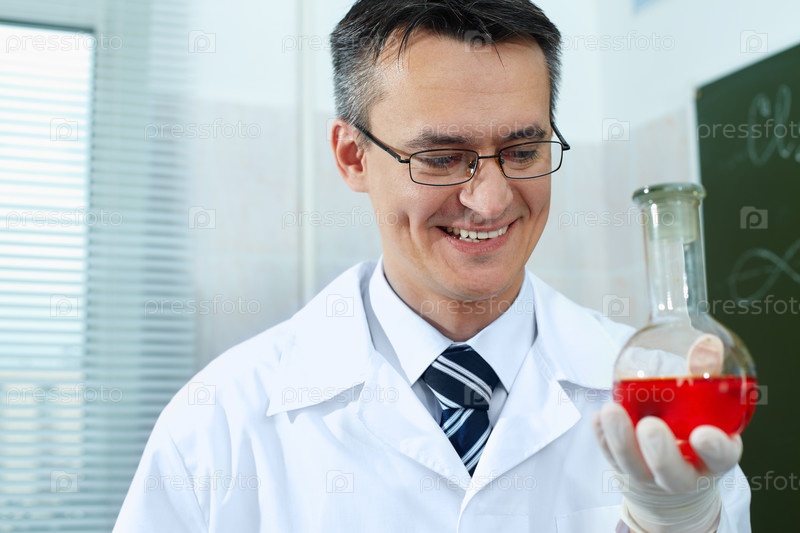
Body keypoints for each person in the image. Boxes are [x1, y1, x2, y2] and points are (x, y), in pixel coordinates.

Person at [114, 1, 751, 531]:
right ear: (353, 157)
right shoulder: (217, 425)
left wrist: (682, 524)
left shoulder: (664, 398)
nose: (491, 201)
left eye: (522, 150)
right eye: (442, 158)